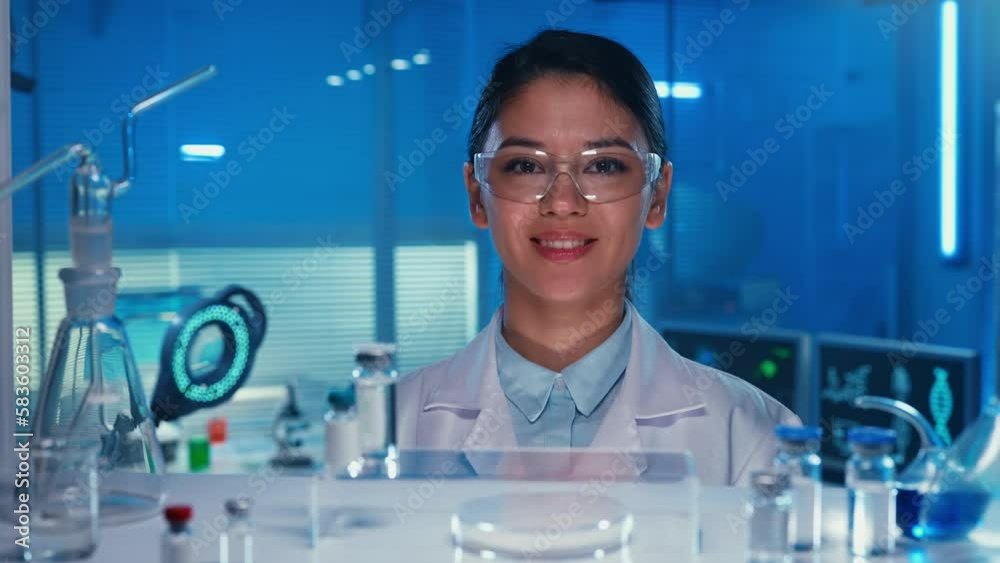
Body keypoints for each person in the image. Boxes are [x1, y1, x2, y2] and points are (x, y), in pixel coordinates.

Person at [396, 29, 800, 486]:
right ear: (476, 195)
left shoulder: (752, 439)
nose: (563, 202)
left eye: (604, 165)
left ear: (657, 197)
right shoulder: (392, 427)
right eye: (525, 166)